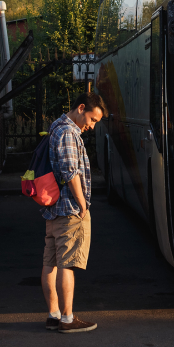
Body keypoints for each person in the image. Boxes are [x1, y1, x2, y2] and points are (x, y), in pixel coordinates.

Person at [41, 92, 105, 334]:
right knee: (67, 264)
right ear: (81, 108)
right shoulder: (68, 132)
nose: (92, 125)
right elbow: (70, 173)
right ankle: (67, 318)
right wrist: (82, 204)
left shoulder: (56, 126)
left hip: (53, 208)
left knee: (50, 263)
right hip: (68, 209)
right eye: (92, 119)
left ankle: (53, 315)